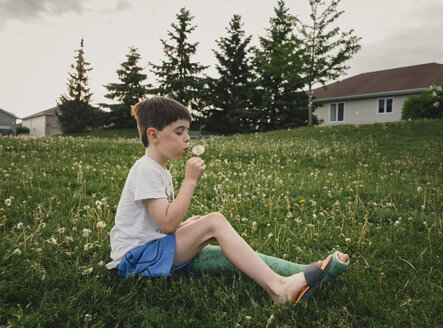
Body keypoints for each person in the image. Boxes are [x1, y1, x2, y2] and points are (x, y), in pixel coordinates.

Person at [106, 96, 349, 305]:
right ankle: (279, 288)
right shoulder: (146, 169)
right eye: (179, 132)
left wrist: (185, 226)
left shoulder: (160, 170)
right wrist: (189, 182)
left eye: (187, 131)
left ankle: (306, 273)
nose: (187, 138)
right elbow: (167, 224)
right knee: (214, 221)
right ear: (153, 135)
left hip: (150, 251)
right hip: (136, 261)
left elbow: (156, 224)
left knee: (218, 247)